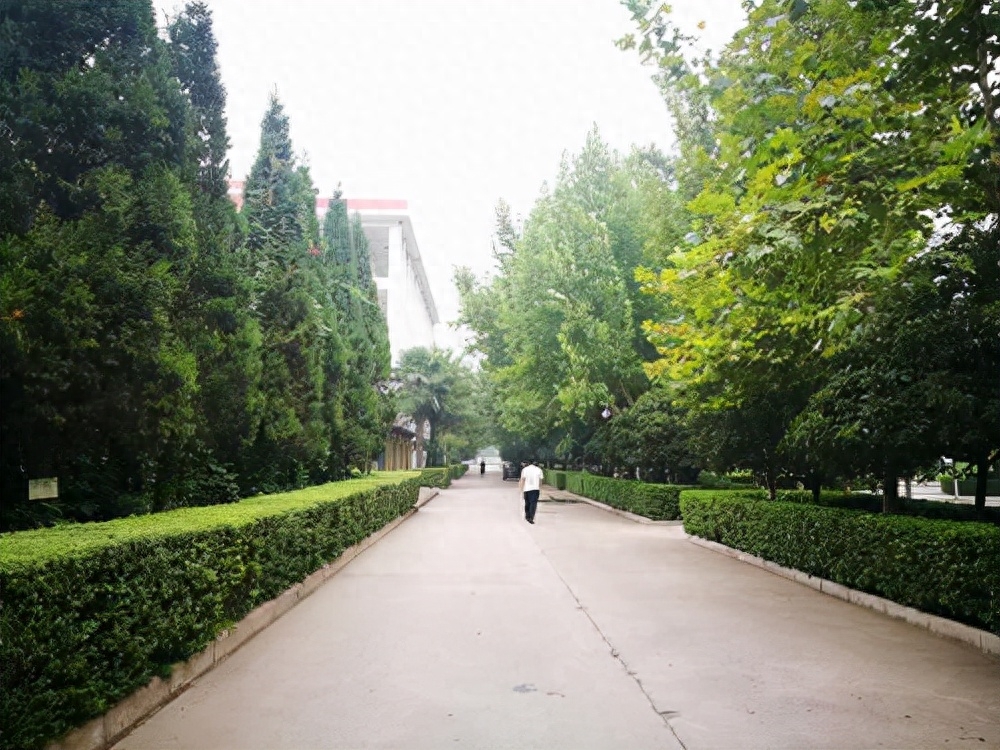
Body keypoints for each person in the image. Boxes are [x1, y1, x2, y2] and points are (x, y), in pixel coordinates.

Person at [518, 459, 544, 524]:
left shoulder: (525, 470)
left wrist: (521, 489)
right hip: (535, 489)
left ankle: (527, 516)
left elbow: (522, 480)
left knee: (527, 503)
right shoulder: (539, 470)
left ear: (529, 463)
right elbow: (540, 481)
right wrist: (540, 488)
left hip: (526, 489)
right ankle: (531, 517)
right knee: (533, 503)